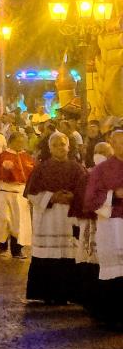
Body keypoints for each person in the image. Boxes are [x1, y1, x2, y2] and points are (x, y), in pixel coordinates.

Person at [25, 131, 85, 305]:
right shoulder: (41, 169)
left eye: (63, 144)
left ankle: (68, 294)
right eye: (55, 145)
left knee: (69, 255)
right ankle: (46, 293)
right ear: (50, 148)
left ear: (69, 147)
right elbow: (31, 194)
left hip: (68, 218)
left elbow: (85, 192)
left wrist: (73, 197)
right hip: (48, 219)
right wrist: (51, 197)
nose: (60, 148)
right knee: (48, 255)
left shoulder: (77, 168)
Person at [83, 130, 123, 326]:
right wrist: (114, 195)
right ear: (112, 144)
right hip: (111, 223)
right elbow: (90, 200)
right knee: (114, 270)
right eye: (120, 143)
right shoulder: (101, 170)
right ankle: (112, 317)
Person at [0, 132, 34, 259]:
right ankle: (3, 247)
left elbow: (33, 179)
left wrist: (33, 196)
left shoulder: (27, 158)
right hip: (4, 193)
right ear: (11, 142)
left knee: (19, 223)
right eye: (18, 142)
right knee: (4, 220)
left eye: (23, 142)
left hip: (21, 195)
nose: (21, 144)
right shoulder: (2, 157)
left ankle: (17, 250)